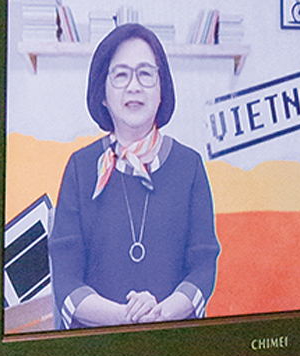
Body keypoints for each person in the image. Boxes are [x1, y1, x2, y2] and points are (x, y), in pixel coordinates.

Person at [49, 22, 219, 327]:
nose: (134, 86)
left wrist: (160, 314)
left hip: (172, 337)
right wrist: (126, 318)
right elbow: (66, 281)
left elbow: (203, 267)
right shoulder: (81, 168)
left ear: (162, 89)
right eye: (121, 75)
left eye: (145, 74)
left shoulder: (189, 165)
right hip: (97, 344)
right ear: (102, 93)